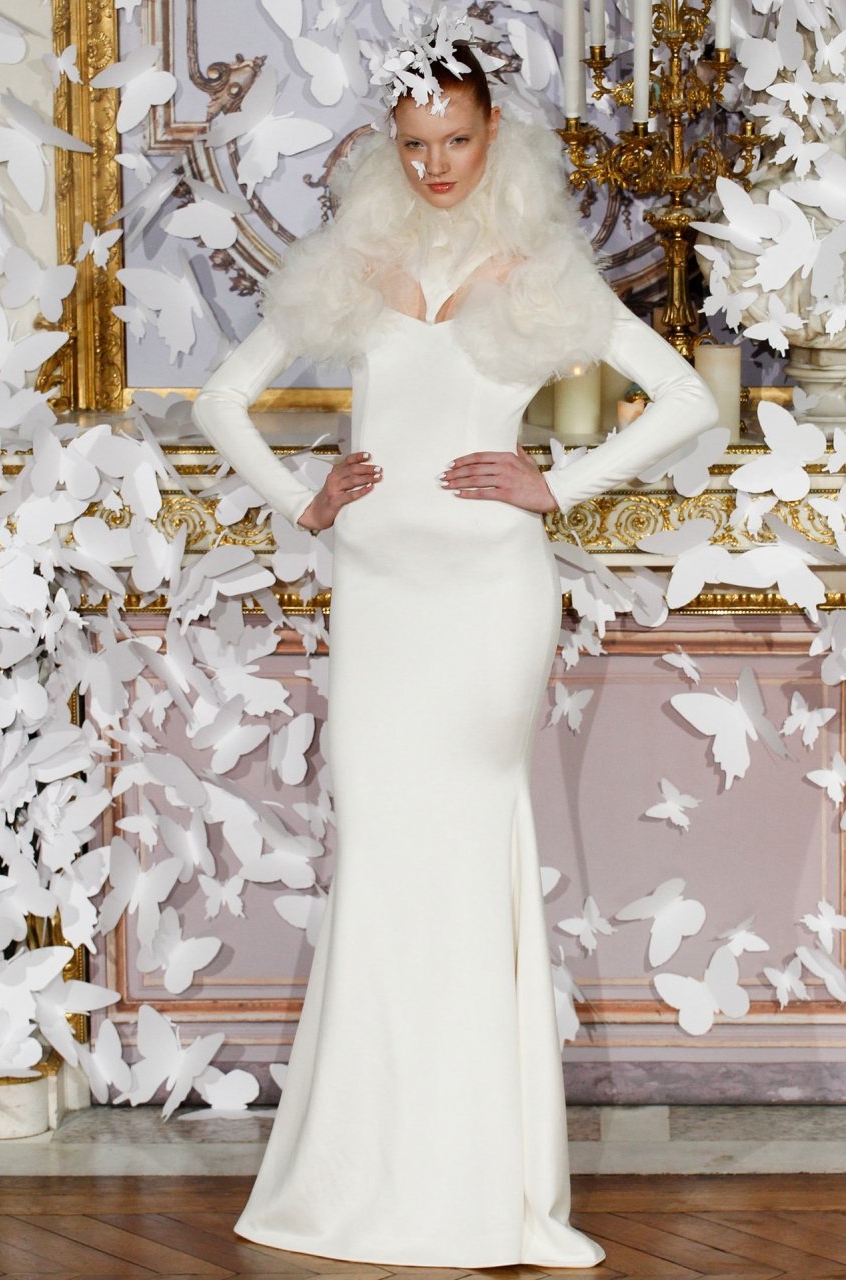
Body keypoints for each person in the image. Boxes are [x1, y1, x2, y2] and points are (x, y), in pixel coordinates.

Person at [192, 16, 718, 1270]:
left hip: (487, 600)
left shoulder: (536, 265)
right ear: (393, 142)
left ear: (494, 137)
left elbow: (686, 394)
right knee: (384, 867)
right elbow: (219, 398)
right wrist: (303, 496)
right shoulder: (354, 260)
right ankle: (366, 1177)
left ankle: (483, 1187)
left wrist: (559, 483)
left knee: (470, 864)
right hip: (378, 600)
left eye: (457, 142)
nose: (435, 166)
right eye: (416, 144)